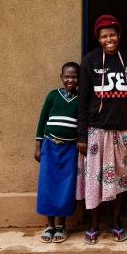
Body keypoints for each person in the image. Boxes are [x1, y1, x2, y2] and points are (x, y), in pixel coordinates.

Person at [76, 14, 127, 245]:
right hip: (97, 131)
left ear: (119, 35)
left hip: (123, 132)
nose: (108, 39)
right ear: (98, 39)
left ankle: (116, 223)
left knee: (121, 180)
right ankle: (93, 224)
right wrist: (81, 136)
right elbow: (83, 100)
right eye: (104, 36)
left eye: (112, 35)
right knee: (94, 180)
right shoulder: (90, 60)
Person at [34, 62, 80, 243]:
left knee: (66, 186)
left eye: (74, 77)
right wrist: (38, 146)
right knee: (48, 184)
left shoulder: (80, 99)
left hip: (70, 149)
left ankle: (61, 225)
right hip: (50, 147)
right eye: (67, 76)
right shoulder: (53, 95)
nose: (70, 80)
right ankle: (50, 225)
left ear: (79, 79)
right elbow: (42, 121)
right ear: (61, 77)